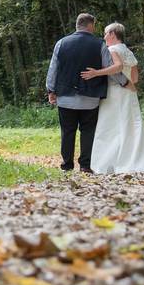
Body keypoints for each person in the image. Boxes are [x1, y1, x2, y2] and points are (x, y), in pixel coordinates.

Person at [46, 13, 129, 172]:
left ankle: (67, 165)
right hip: (90, 98)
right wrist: (124, 82)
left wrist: (51, 90)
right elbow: (109, 68)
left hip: (65, 97)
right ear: (90, 25)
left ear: (78, 25)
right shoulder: (99, 44)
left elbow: (53, 69)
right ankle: (85, 165)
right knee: (88, 131)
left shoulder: (61, 43)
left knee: (67, 131)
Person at [80, 22, 144, 174]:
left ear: (113, 34)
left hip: (115, 93)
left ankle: (109, 162)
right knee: (130, 126)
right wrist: (130, 85)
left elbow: (117, 67)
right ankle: (135, 158)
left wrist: (96, 73)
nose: (104, 36)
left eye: (106, 33)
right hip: (128, 93)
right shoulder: (127, 50)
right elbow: (135, 76)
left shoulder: (112, 49)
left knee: (109, 126)